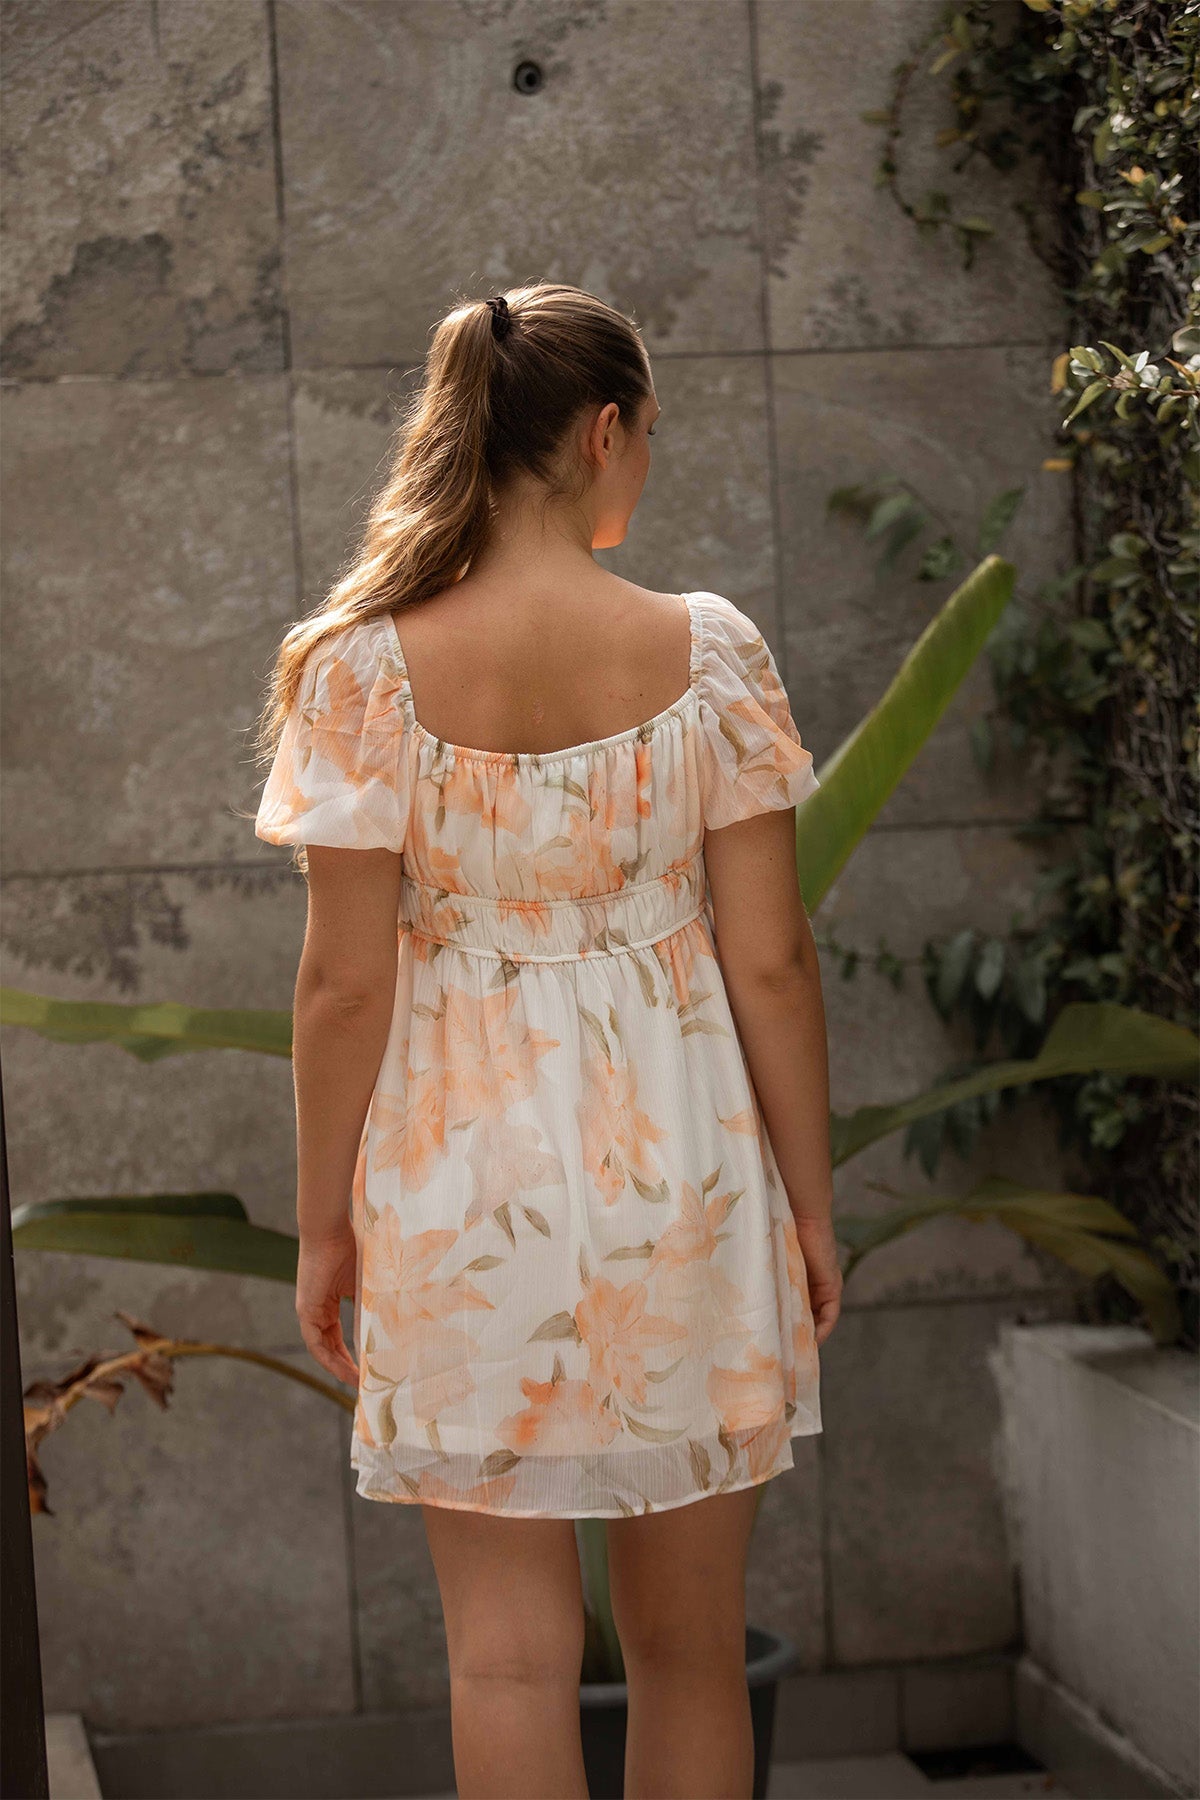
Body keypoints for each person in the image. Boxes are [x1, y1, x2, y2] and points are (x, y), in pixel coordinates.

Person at [251, 281, 842, 1800]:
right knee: (691, 1649)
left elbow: (340, 989)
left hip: (459, 1198)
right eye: (647, 435)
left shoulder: (358, 671)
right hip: (685, 1184)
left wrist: (322, 1226)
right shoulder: (711, 655)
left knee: (505, 1660)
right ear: (603, 431)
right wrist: (810, 1208)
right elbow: (772, 962)